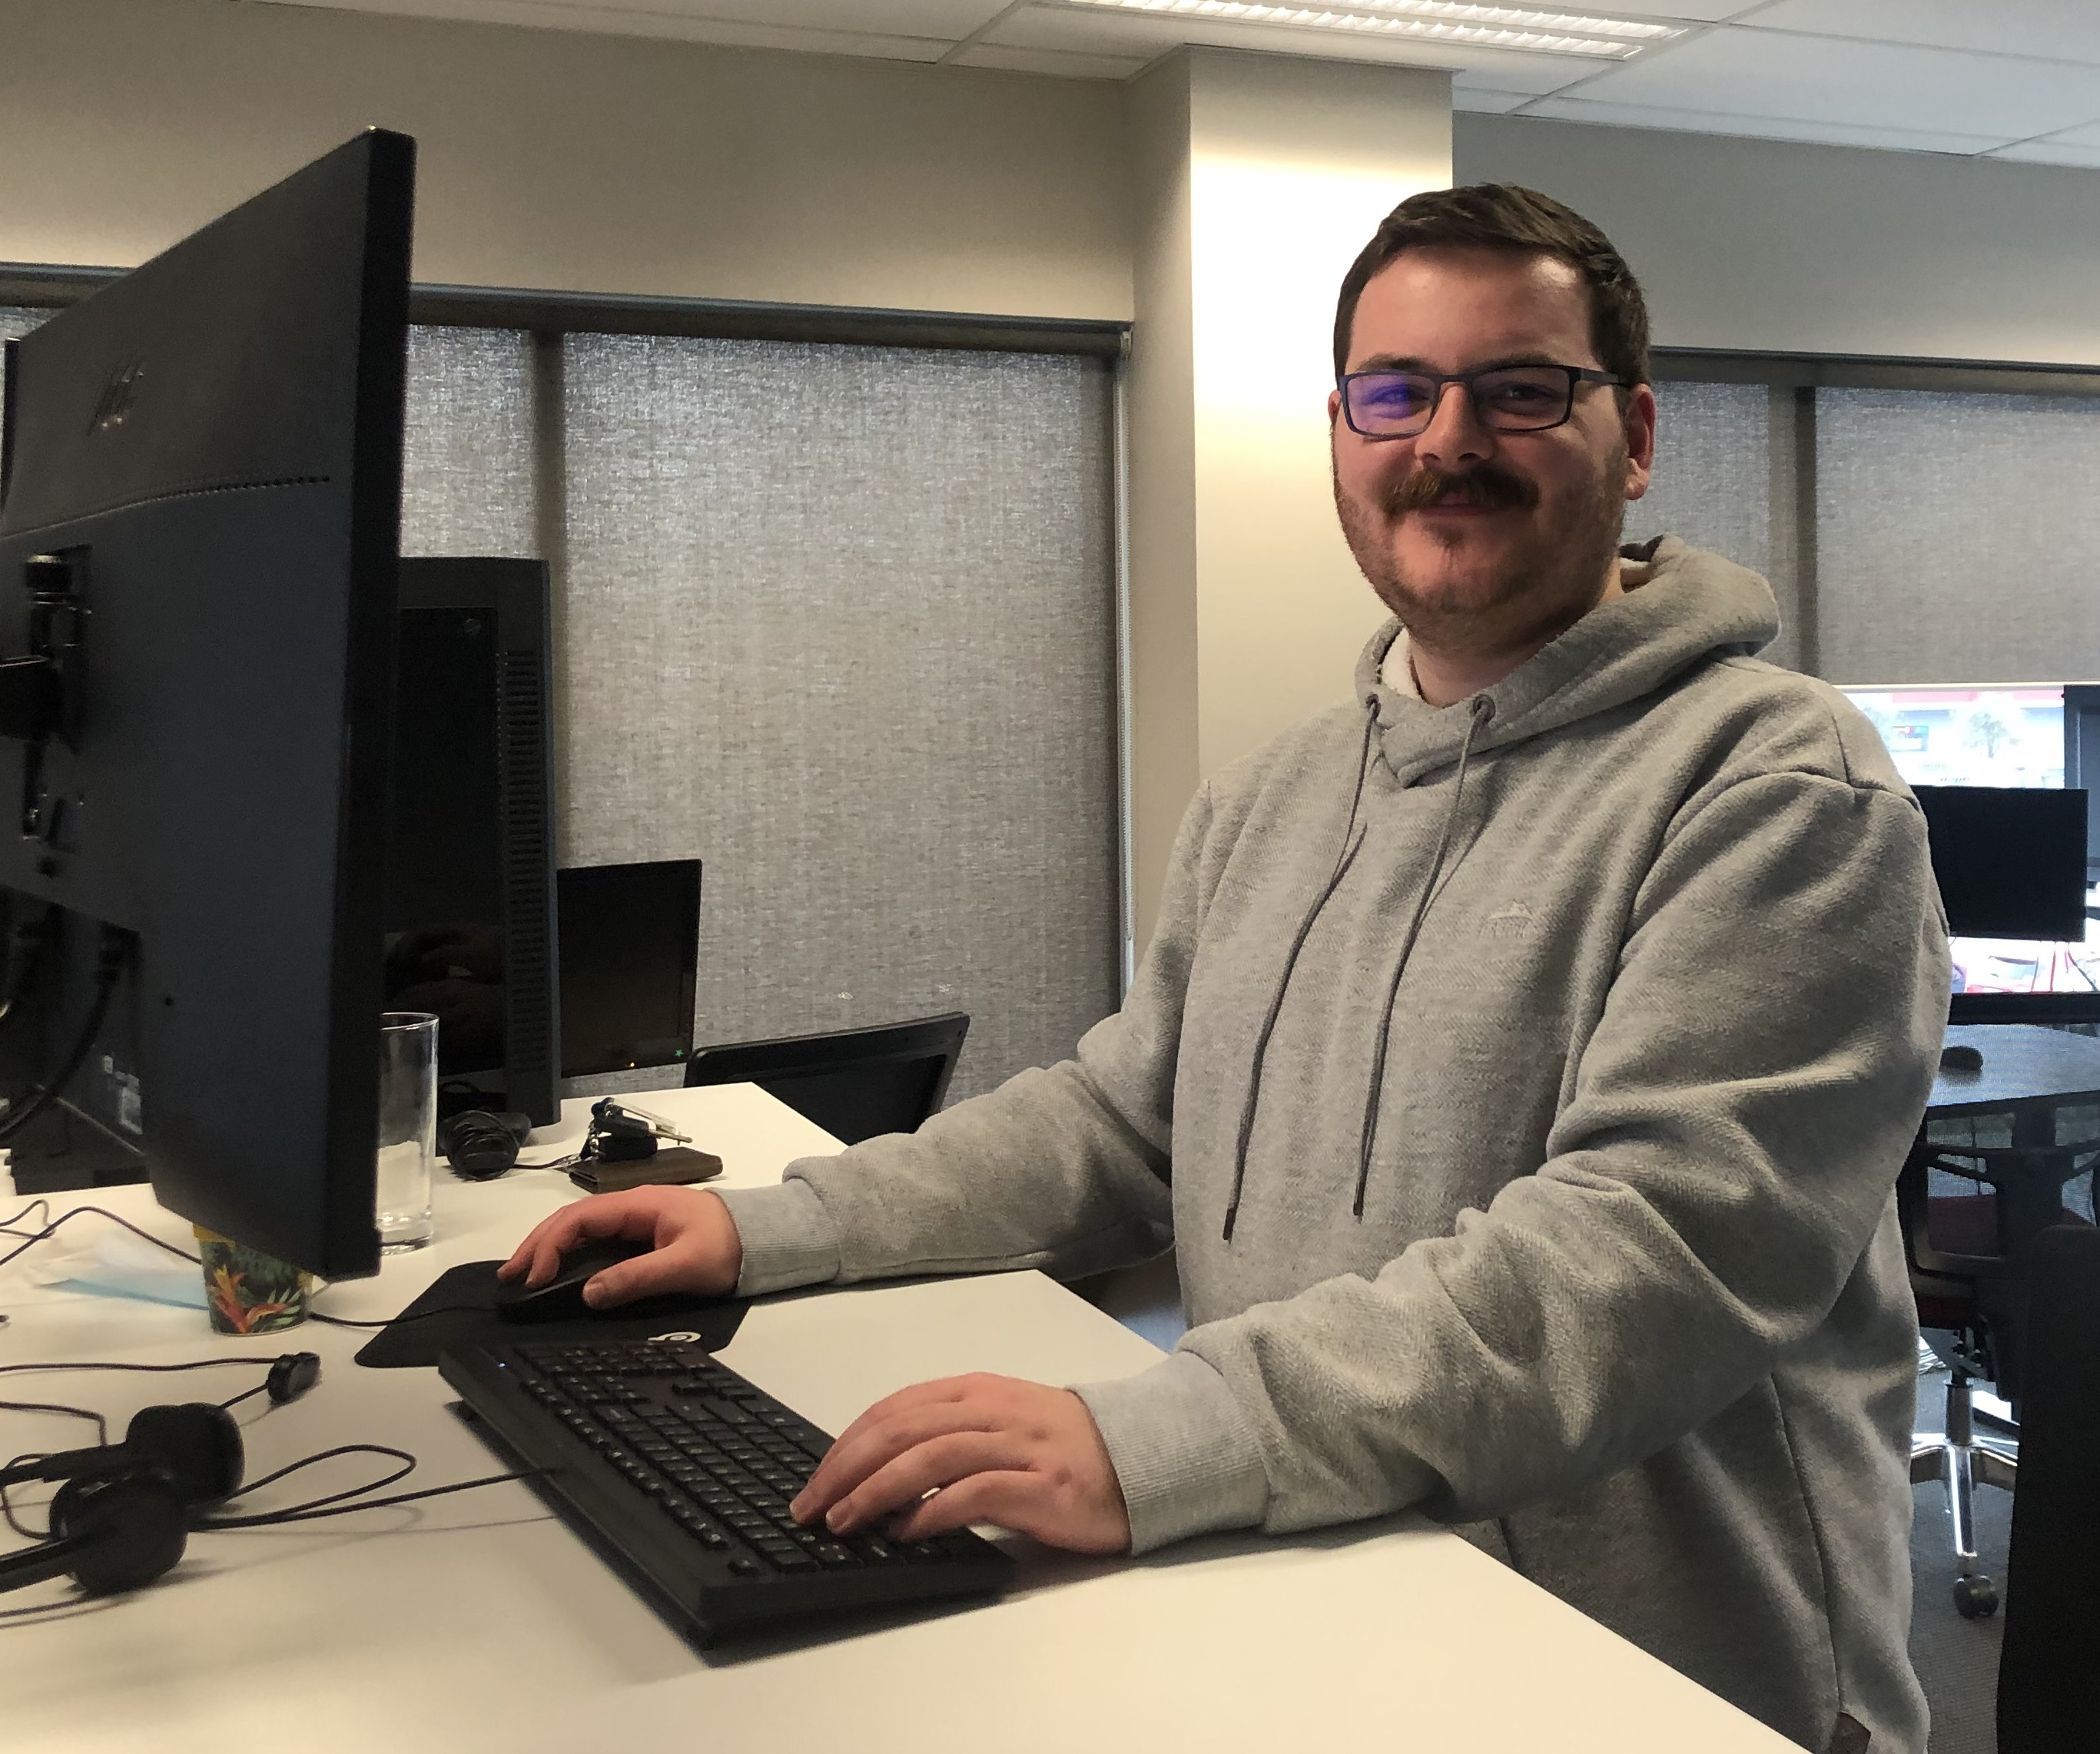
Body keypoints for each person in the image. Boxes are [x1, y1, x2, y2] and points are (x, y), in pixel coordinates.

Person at [504, 184, 1948, 1754]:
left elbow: (1650, 1254)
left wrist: (1170, 1435)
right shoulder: (1276, 794)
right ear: (1338, 430)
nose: (1446, 439)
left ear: (1635, 433)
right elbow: (1119, 1123)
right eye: (1395, 392)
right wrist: (768, 1224)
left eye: (1519, 389)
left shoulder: (1775, 788)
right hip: (1317, 1603)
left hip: (1648, 1680)